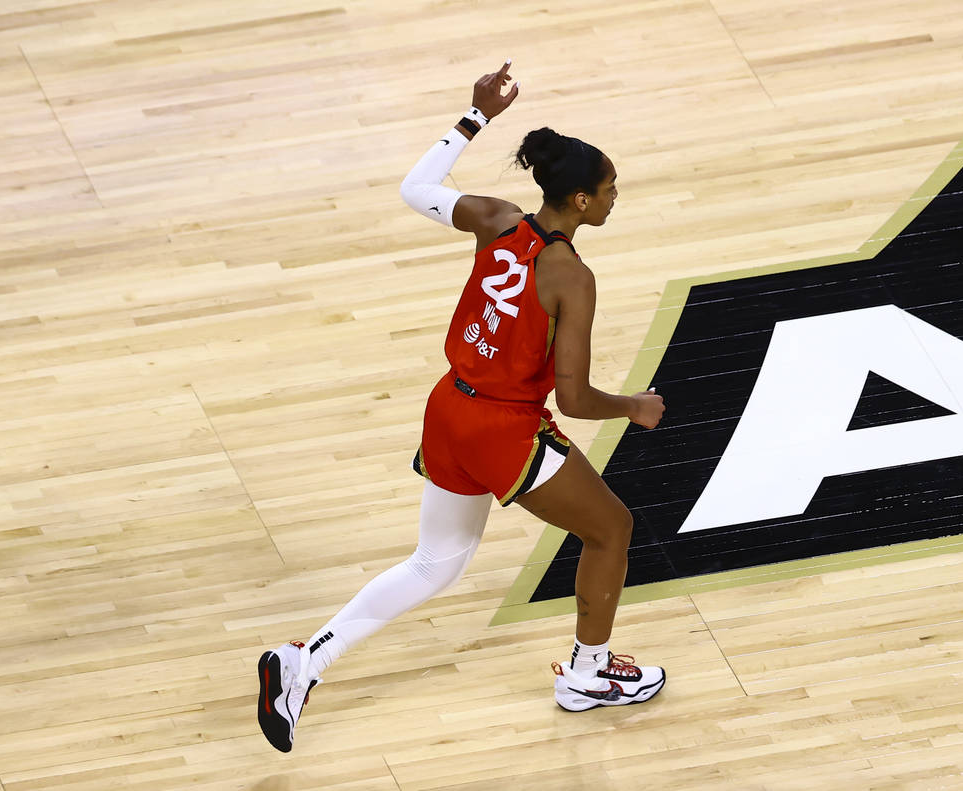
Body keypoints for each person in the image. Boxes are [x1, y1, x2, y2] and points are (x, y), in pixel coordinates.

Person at [256, 60, 666, 753]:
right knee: (611, 530)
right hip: (502, 427)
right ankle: (588, 674)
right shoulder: (571, 276)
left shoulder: (496, 219)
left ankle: (304, 661)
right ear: (581, 201)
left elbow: (414, 187)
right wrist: (632, 405)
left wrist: (474, 117)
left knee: (435, 562)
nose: (615, 196)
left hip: (448, 408)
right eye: (609, 189)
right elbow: (571, 395)